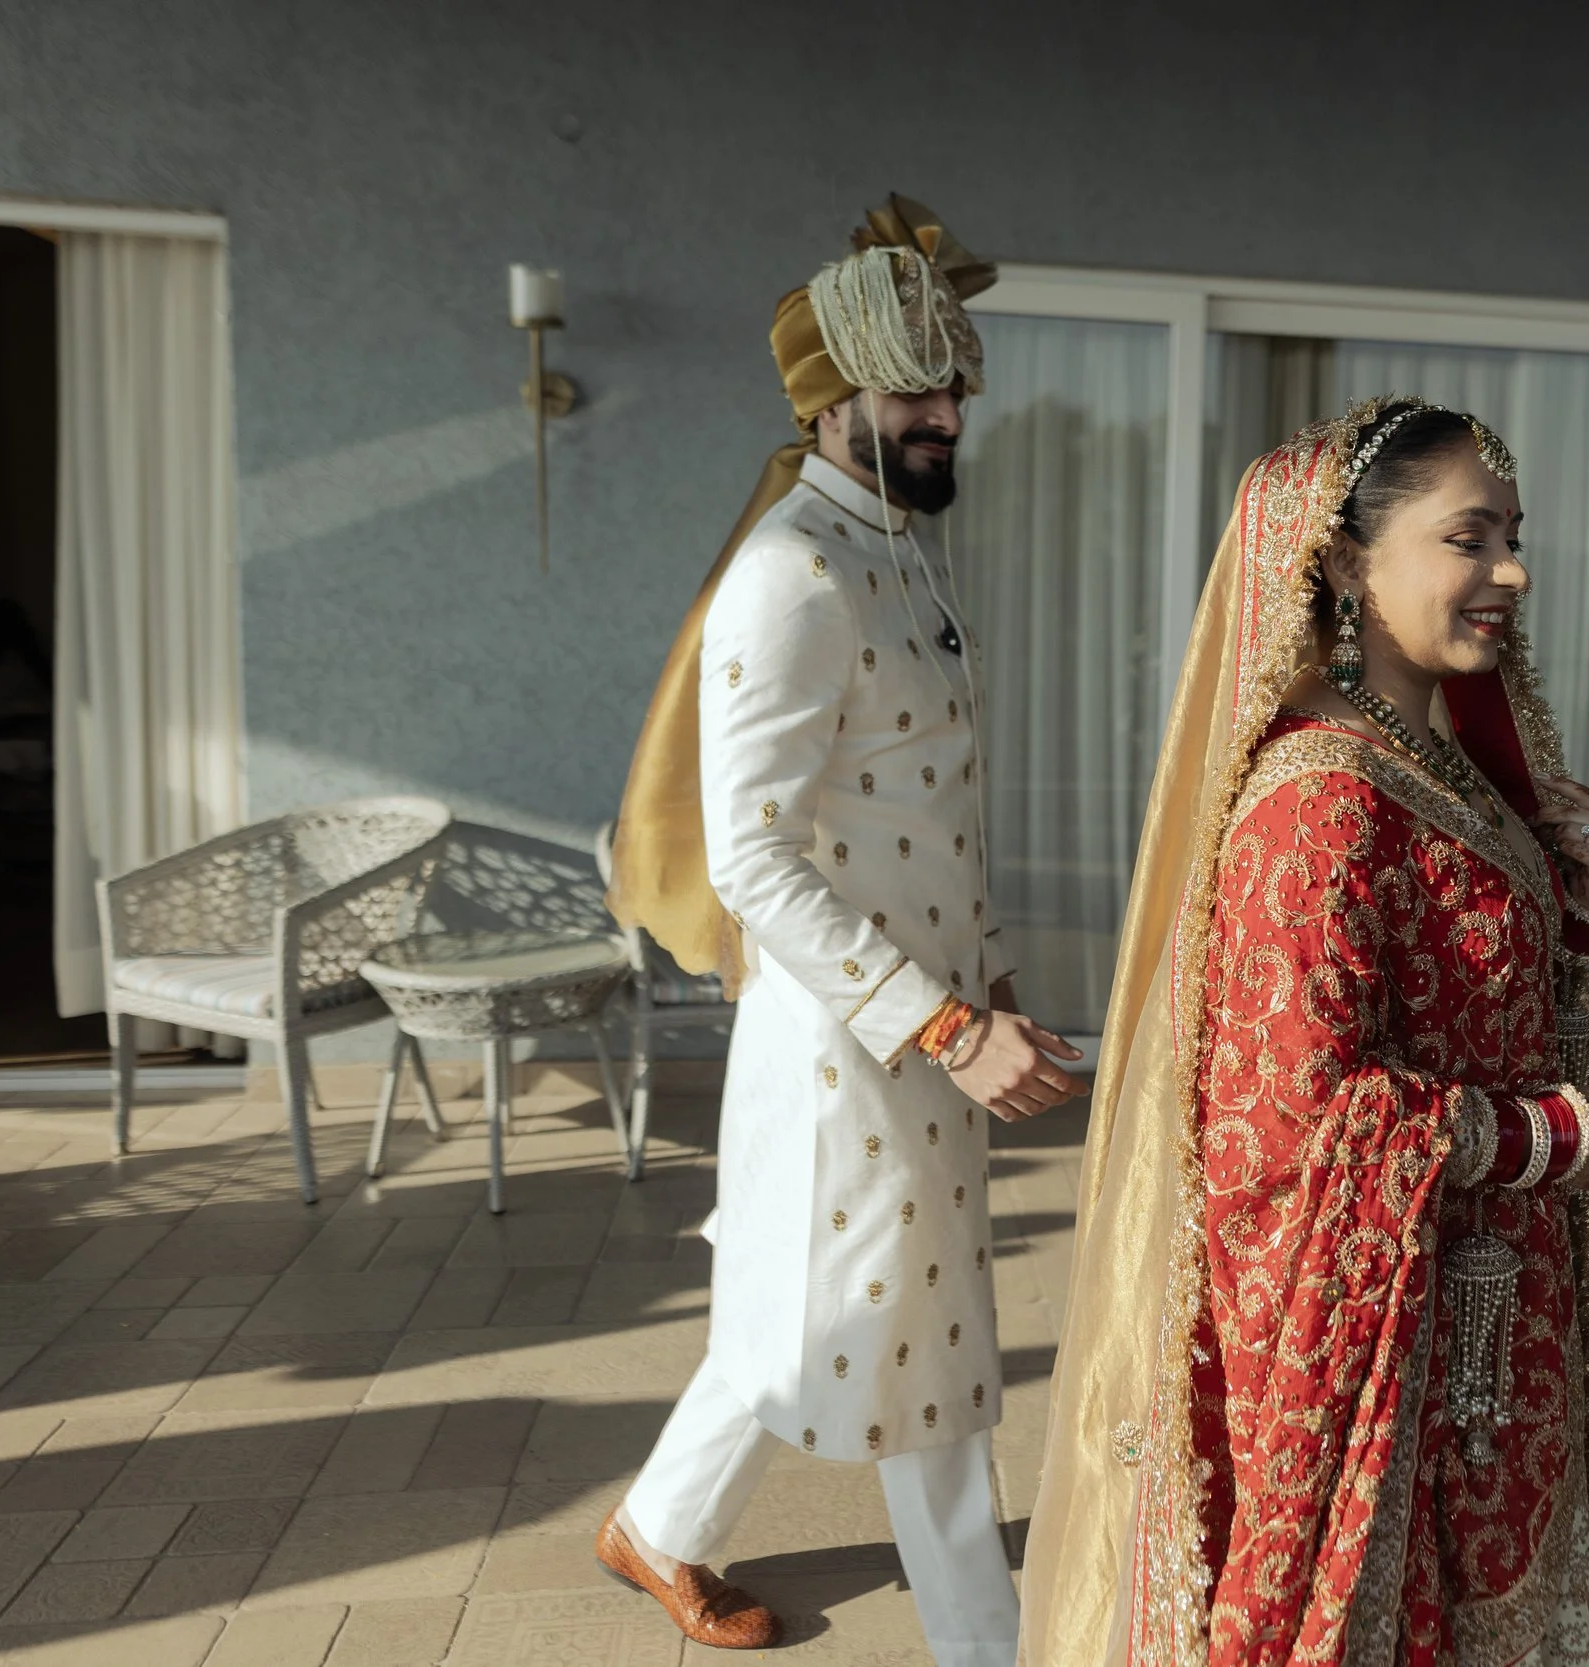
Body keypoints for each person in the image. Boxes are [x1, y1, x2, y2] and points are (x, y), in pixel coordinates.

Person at [1018, 396, 1589, 1665]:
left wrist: (1576, 907)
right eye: (1469, 538)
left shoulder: (1441, 760)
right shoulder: (1321, 803)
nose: (1511, 570)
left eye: (1513, 535)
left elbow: (1473, 987)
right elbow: (1295, 1115)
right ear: (1348, 560)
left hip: (1478, 1283)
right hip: (1395, 1319)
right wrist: (1548, 1134)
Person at [598, 194, 1083, 1659]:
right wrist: (940, 1020)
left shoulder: (902, 550)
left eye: (953, 384)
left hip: (925, 1026)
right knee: (918, 1350)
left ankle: (654, 1530)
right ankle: (986, 1643)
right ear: (833, 397)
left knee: (795, 1310)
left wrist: (989, 973)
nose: (945, 412)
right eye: (914, 389)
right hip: (848, 1051)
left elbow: (930, 809)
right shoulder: (792, 573)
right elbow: (752, 854)